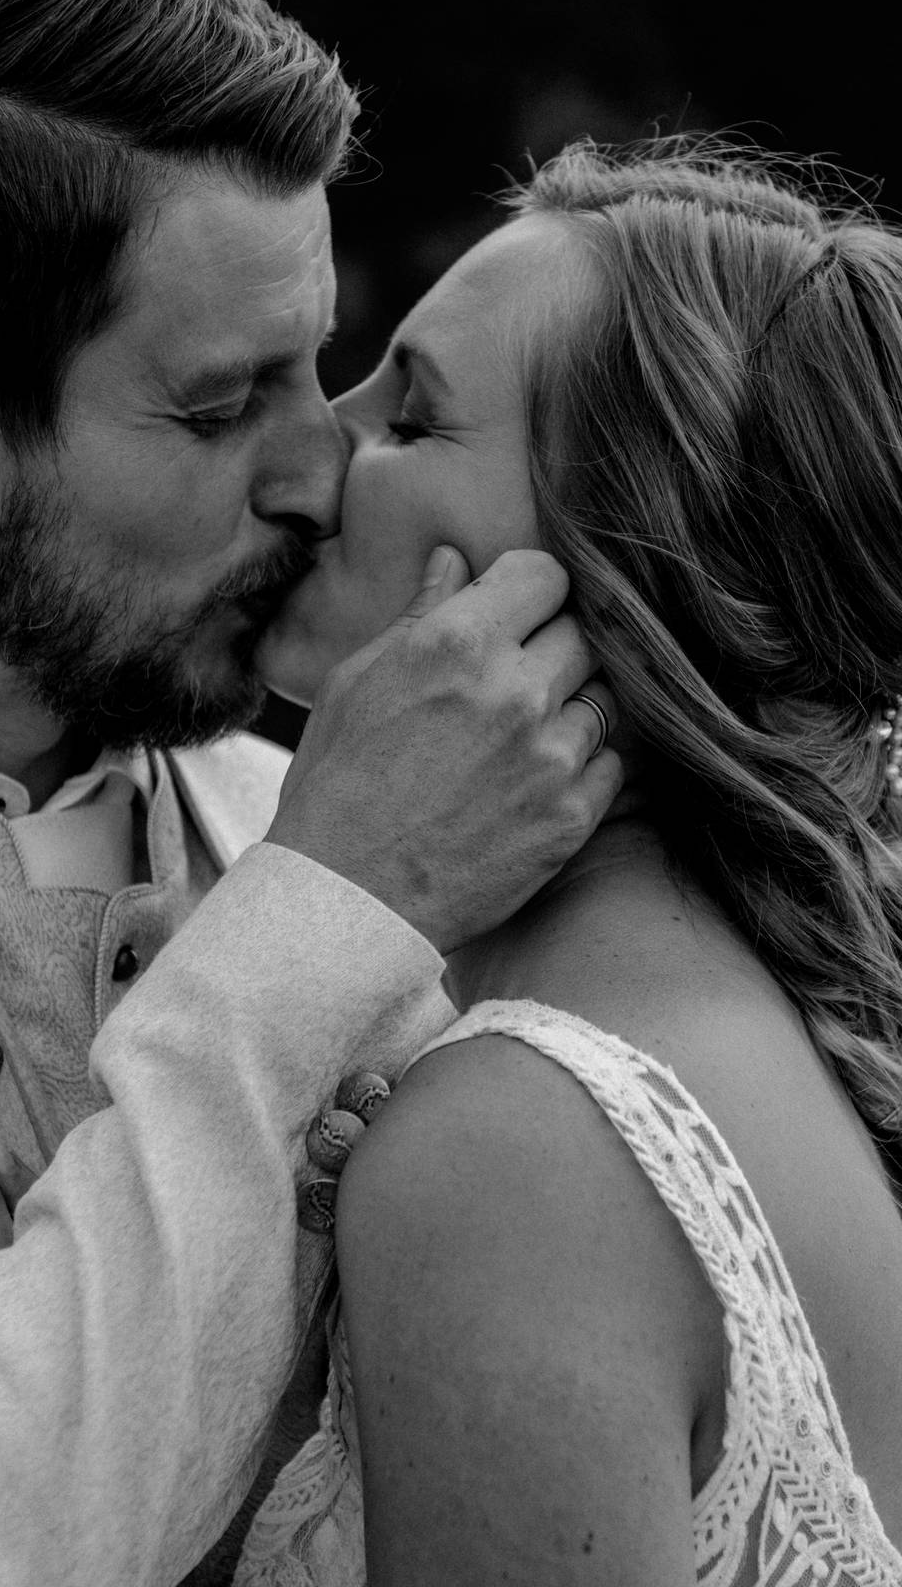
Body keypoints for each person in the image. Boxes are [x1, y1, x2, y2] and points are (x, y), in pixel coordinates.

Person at [0, 0, 619, 1586]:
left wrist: (76, 1420)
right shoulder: (360, 873)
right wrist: (323, 919)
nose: (320, 472)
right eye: (214, 405)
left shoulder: (394, 833)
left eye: (318, 367)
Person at [230, 138, 902, 1584]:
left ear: (620, 565)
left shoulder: (520, 1145)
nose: (314, 451)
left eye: (411, 415)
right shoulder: (751, 1044)